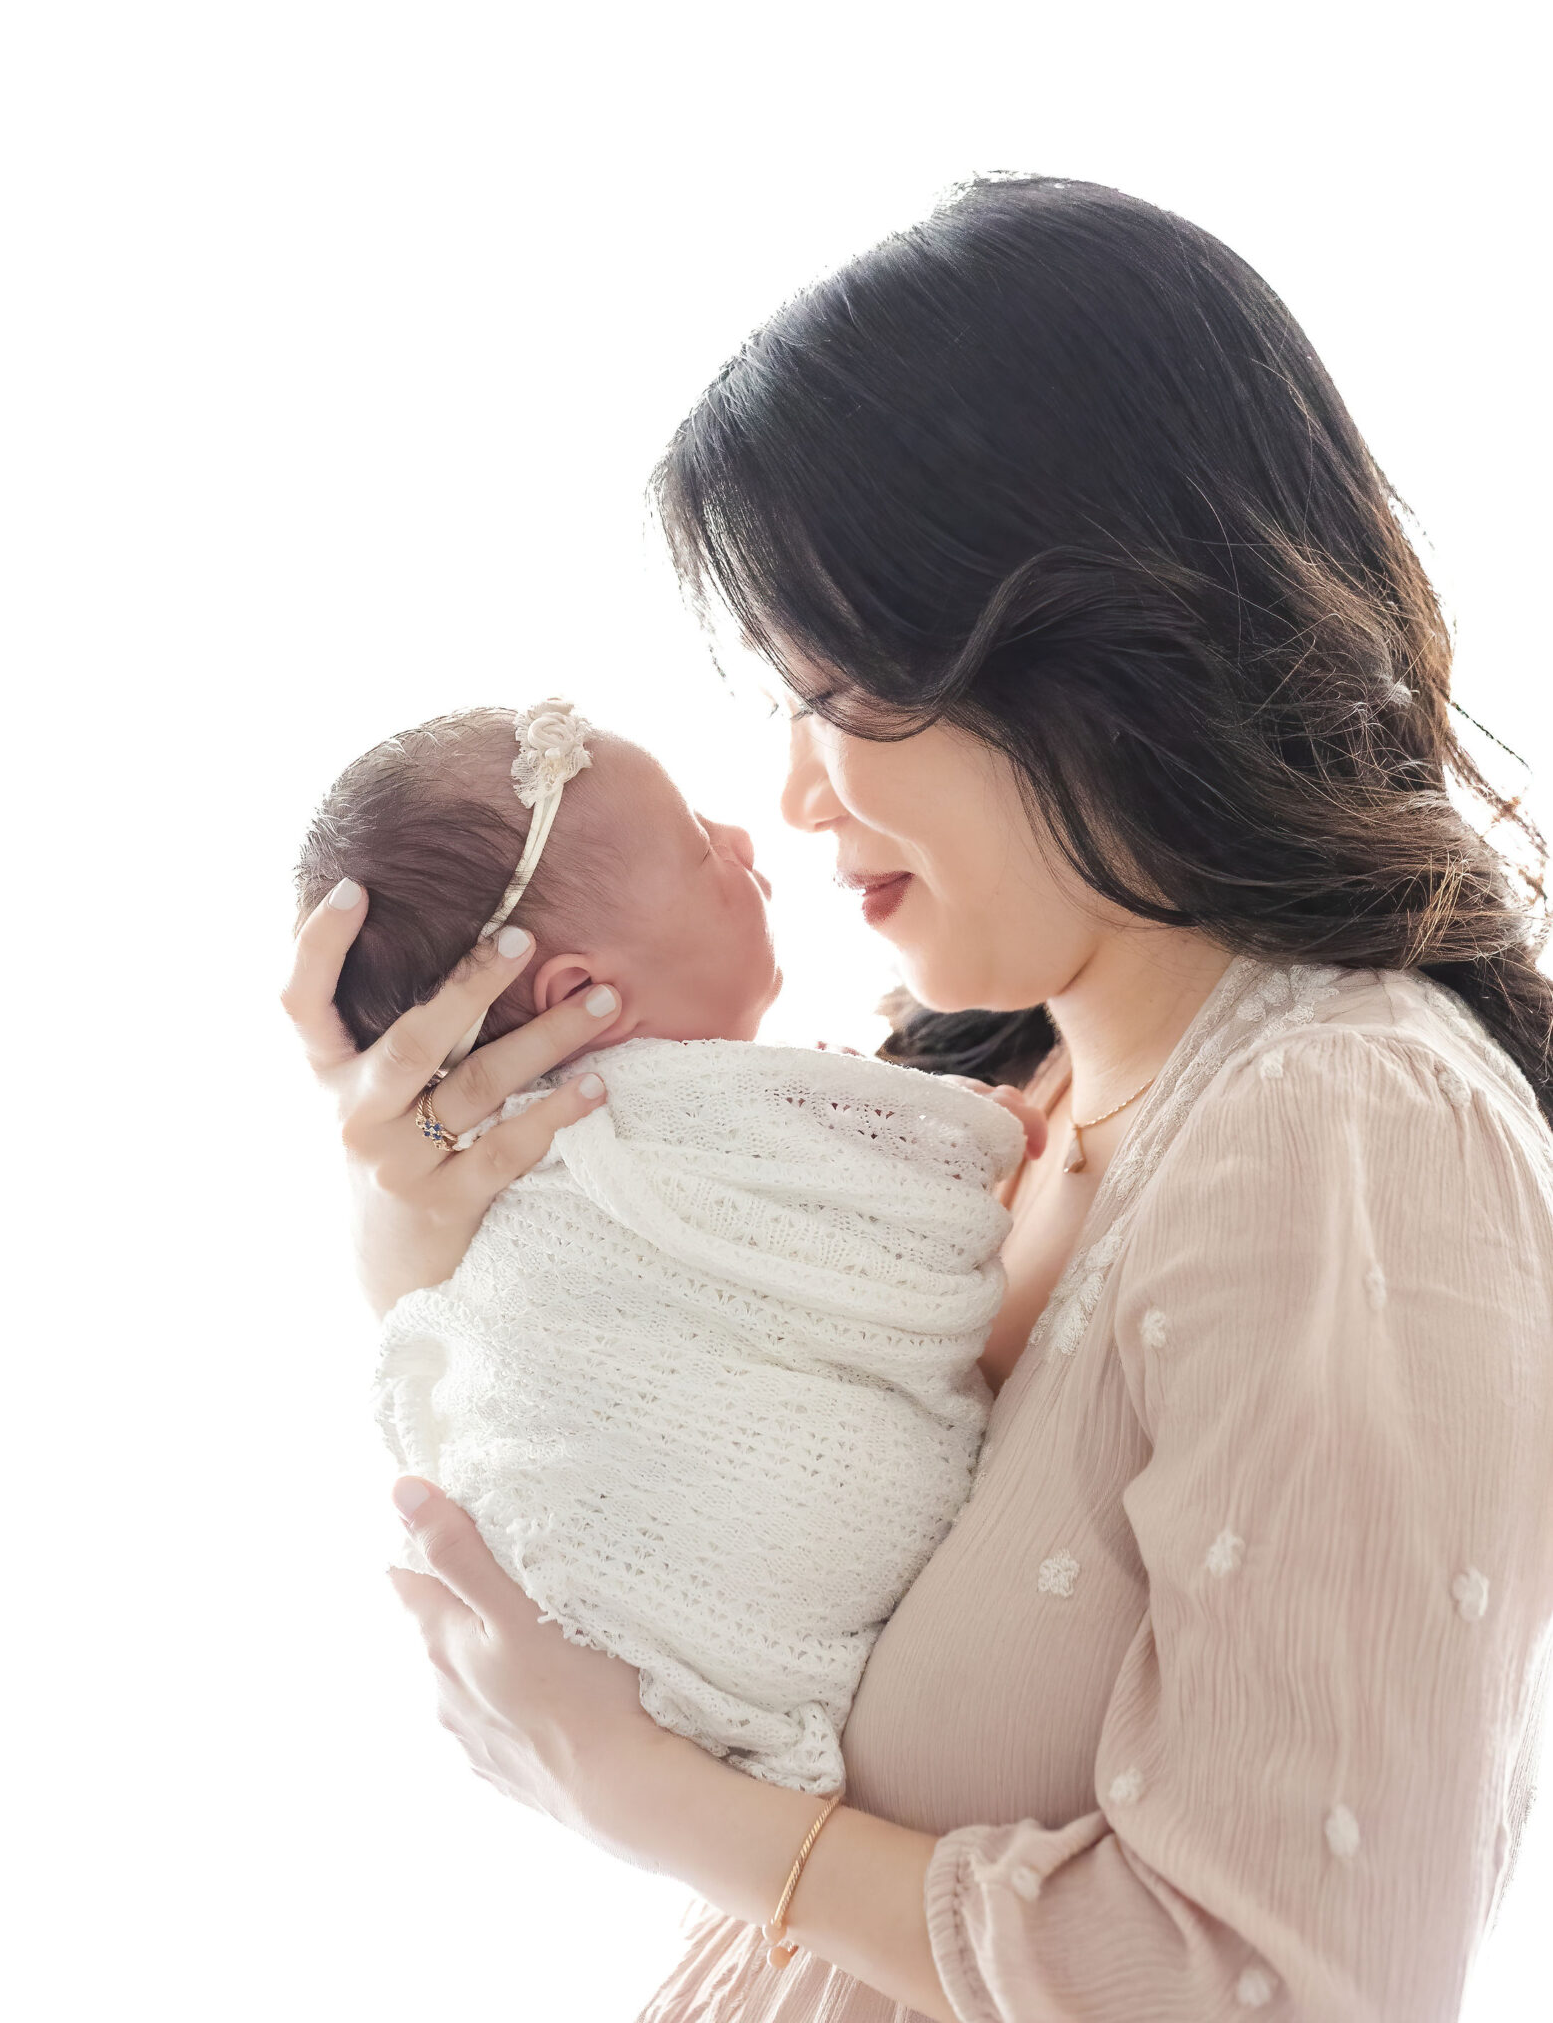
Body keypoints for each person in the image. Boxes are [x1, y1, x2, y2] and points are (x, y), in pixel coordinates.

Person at [282, 176, 1553, 2021]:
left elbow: (1299, 1980)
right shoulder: (980, 1095)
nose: (795, 802)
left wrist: (651, 1801)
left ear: (1101, 635)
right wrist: (431, 1235)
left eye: (844, 689)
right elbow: (648, 1522)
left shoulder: (1342, 1128)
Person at [292, 697, 1022, 1795]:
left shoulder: (689, 1122)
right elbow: (929, 1203)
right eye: (696, 845)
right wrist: (399, 1248)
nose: (752, 830)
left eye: (845, 701)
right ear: (581, 996)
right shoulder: (640, 1139)